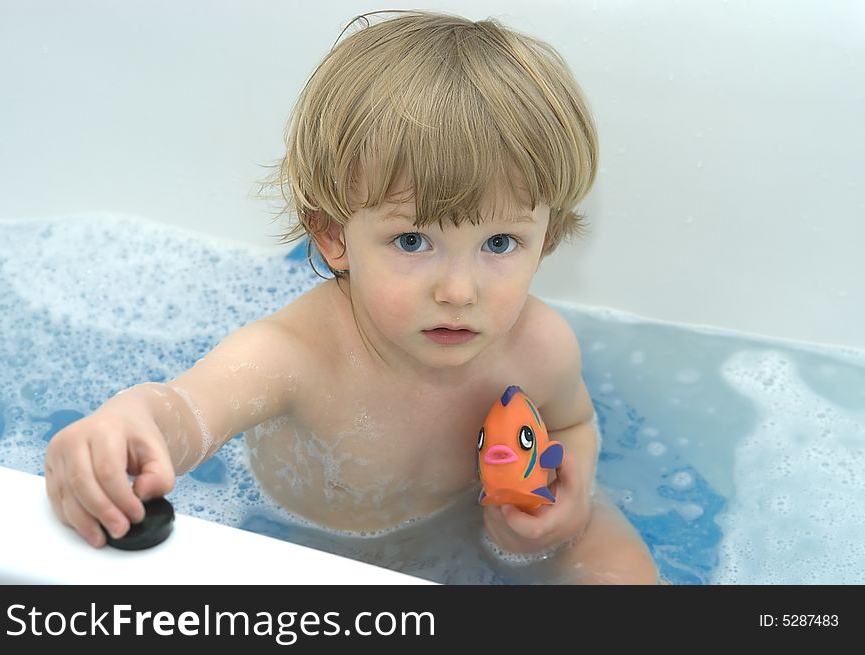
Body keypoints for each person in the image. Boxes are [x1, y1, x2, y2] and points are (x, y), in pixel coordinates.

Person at [44, 10, 658, 584]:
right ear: (334, 236)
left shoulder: (540, 345)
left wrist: (568, 502)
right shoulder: (296, 356)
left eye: (500, 242)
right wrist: (129, 424)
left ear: (546, 238)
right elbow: (186, 412)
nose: (459, 291)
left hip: (472, 521)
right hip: (301, 544)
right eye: (413, 240)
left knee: (617, 563)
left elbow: (573, 421)